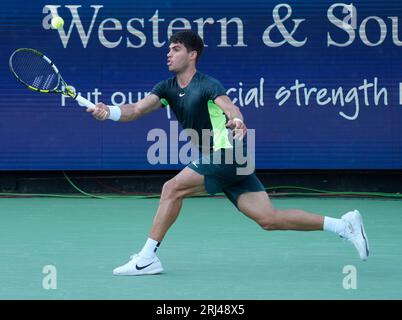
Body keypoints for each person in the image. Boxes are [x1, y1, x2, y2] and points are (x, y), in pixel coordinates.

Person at [88, 30, 369, 276]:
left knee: (171, 188)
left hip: (229, 154)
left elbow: (230, 107)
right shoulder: (167, 88)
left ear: (192, 54)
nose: (168, 54)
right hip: (227, 162)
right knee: (268, 219)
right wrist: (109, 112)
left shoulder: (207, 84)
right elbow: (135, 110)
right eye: (168, 49)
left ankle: (147, 258)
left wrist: (237, 120)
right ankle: (344, 226)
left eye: (175, 49)